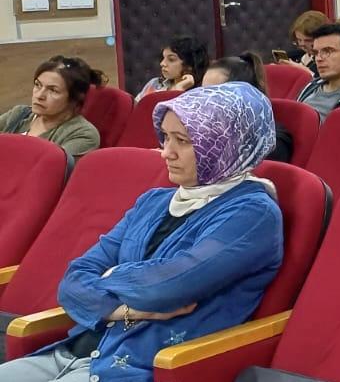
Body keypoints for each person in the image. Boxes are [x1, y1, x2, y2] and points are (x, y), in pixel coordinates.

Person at [0, 82, 284, 382]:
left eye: (183, 141)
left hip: (136, 367)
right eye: (166, 138)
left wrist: (110, 276)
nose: (166, 153)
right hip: (72, 351)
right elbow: (72, 282)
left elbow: (168, 287)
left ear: (226, 145)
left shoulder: (253, 214)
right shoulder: (154, 201)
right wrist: (129, 310)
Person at [0, 56, 103, 158]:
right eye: (38, 85)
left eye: (53, 90)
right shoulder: (20, 114)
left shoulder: (83, 135)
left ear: (74, 98)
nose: (39, 95)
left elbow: (47, 165)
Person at [202, 52, 293, 163]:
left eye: (214, 94)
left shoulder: (271, 141)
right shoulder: (208, 128)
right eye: (203, 93)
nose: (204, 101)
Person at [136, 36, 209, 103]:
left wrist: (179, 88)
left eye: (171, 59)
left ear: (189, 65)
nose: (162, 63)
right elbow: (135, 108)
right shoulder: (154, 83)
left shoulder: (197, 95)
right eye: (163, 58)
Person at [279, 10, 330, 75]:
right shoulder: (294, 56)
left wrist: (302, 70)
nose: (302, 44)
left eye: (308, 40)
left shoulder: (328, 60)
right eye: (299, 40)